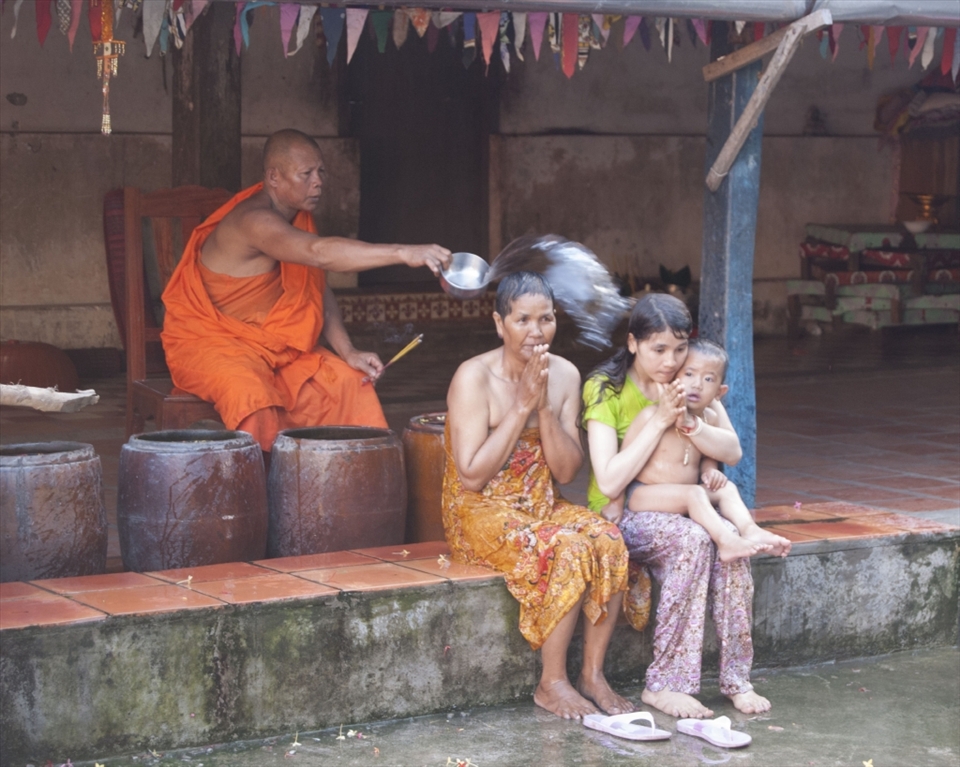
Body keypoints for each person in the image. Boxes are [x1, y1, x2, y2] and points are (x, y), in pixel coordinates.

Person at [161, 129, 451, 451]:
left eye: (321, 171)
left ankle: (346, 484)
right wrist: (401, 253)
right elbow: (319, 253)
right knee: (252, 396)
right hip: (212, 344)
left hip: (273, 347)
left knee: (349, 383)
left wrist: (348, 351)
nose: (318, 182)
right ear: (274, 177)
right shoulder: (253, 221)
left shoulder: (296, 218)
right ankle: (269, 487)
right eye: (306, 174)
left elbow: (315, 289)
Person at [442, 272, 631, 720]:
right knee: (564, 548)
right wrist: (522, 404)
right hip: (479, 511)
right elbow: (470, 476)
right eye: (522, 320)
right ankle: (552, 683)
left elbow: (566, 469)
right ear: (499, 324)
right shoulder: (473, 377)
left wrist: (544, 405)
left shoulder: (563, 374)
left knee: (607, 538)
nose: (535, 331)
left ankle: (592, 674)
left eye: (545, 319)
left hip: (542, 503)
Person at [583, 292, 771, 719]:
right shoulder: (606, 387)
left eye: (680, 348)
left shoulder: (690, 381)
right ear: (633, 343)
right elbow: (611, 480)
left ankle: (737, 678)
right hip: (624, 510)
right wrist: (664, 420)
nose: (670, 361)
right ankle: (667, 684)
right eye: (659, 349)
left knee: (732, 547)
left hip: (686, 504)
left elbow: (732, 448)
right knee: (693, 539)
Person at [616, 338, 791, 561]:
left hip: (683, 496)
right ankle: (725, 541)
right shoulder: (652, 416)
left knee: (726, 488)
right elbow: (624, 462)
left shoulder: (710, 418)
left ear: (720, 391)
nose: (697, 384)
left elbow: (709, 455)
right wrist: (615, 502)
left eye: (708, 379)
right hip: (644, 494)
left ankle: (750, 530)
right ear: (673, 379)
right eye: (689, 374)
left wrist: (710, 471)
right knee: (695, 493)